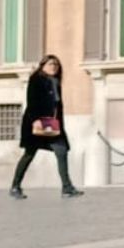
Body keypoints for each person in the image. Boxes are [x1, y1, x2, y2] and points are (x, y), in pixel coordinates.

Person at [11, 55, 81, 198]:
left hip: (52, 124)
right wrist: (35, 120)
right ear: (43, 66)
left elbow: (57, 106)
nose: (54, 66)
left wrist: (59, 125)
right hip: (36, 123)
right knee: (29, 154)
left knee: (61, 151)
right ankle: (15, 186)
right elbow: (31, 101)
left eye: (56, 64)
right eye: (50, 64)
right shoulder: (36, 79)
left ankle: (67, 188)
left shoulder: (55, 81)